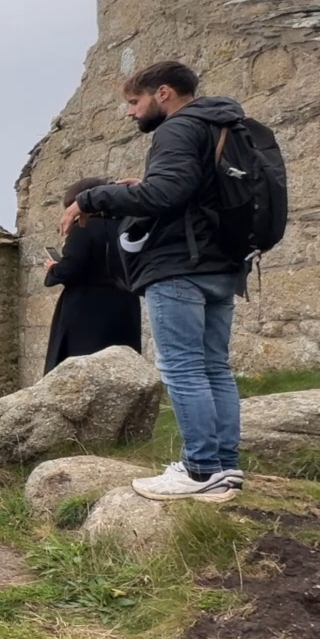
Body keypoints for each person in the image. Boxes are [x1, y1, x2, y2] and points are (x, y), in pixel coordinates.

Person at [63, 61, 247, 502]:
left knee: (182, 367)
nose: (130, 112)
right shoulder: (224, 125)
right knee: (214, 367)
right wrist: (144, 185)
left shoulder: (178, 129)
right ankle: (224, 467)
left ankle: (200, 469)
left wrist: (90, 198)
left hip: (181, 266)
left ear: (162, 93)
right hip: (222, 264)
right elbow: (187, 192)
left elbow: (166, 195)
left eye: (133, 101)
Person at [43, 176, 143, 373]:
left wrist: (54, 268)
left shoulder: (85, 227)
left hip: (88, 309)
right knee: (120, 369)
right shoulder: (129, 225)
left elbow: (70, 268)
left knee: (81, 370)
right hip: (125, 305)